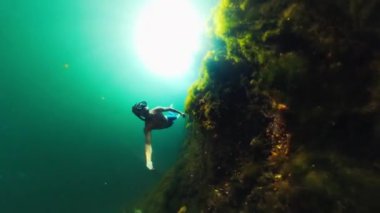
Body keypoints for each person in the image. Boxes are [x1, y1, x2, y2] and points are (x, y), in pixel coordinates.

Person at [132, 101, 185, 170]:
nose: (143, 107)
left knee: (173, 115)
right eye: (140, 108)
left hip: (168, 119)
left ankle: (172, 108)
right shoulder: (148, 127)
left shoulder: (157, 109)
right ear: (139, 114)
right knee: (173, 115)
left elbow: (168, 109)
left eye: (143, 105)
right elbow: (148, 145)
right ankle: (174, 111)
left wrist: (181, 113)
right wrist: (148, 160)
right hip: (167, 124)